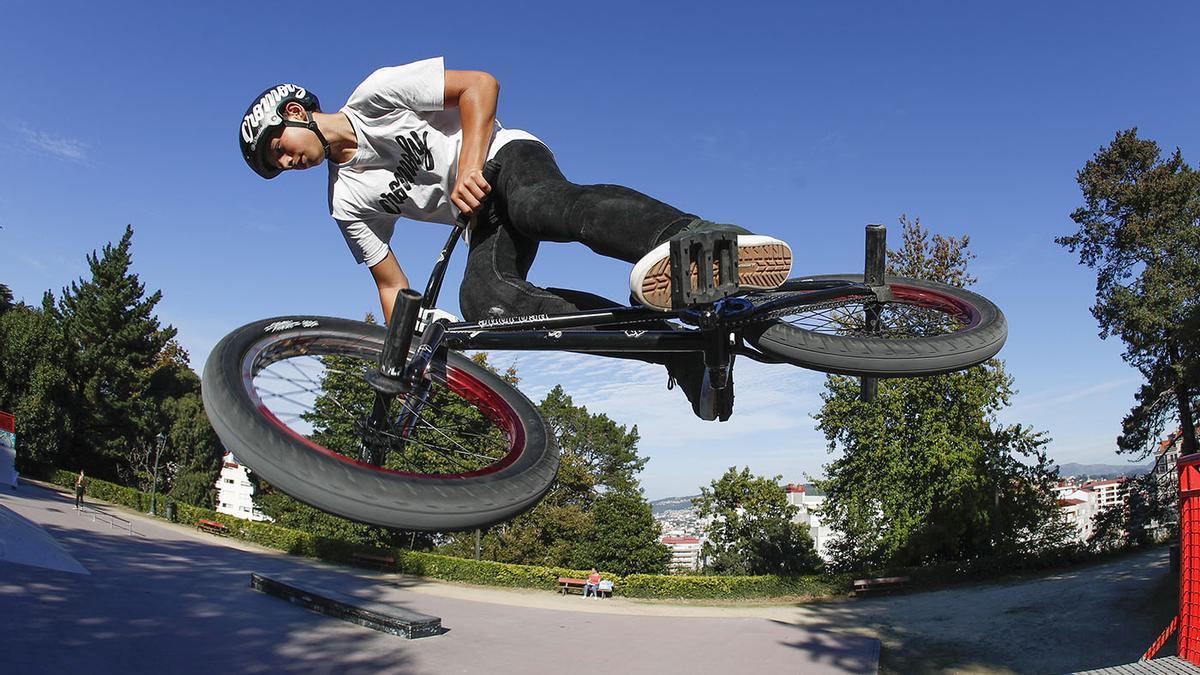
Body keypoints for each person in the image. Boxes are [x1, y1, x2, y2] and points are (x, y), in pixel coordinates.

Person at [237, 59, 792, 421]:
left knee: (538, 205)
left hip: (506, 160)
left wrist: (470, 164)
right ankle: (677, 351)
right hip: (482, 221)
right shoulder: (346, 200)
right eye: (277, 166)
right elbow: (391, 284)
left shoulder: (377, 95)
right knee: (485, 304)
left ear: (296, 112)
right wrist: (403, 348)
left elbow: (480, 85)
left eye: (279, 148)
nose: (288, 163)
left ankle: (699, 239)